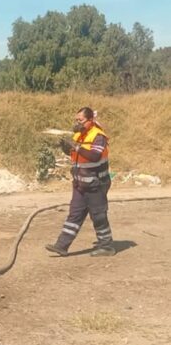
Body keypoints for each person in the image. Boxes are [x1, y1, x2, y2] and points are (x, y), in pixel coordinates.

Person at [46, 107, 115, 257]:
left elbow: (94, 156)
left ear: (90, 120)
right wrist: (65, 147)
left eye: (81, 120)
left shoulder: (98, 136)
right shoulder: (78, 135)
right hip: (80, 184)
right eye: (76, 120)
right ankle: (62, 245)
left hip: (96, 184)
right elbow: (75, 154)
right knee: (75, 214)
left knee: (98, 215)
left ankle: (106, 246)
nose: (78, 123)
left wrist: (76, 146)